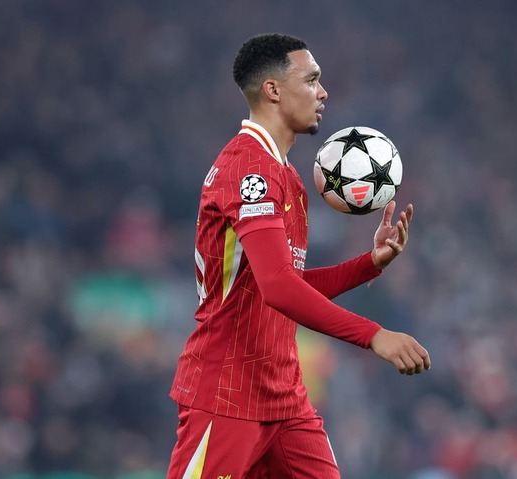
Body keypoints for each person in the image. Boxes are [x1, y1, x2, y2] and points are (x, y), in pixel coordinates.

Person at [167, 33, 431, 479]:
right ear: (273, 90)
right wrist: (373, 336)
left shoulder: (286, 175)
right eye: (312, 80)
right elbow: (278, 288)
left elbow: (286, 283)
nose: (323, 92)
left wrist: (369, 264)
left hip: (285, 398)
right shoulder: (248, 168)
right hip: (228, 395)